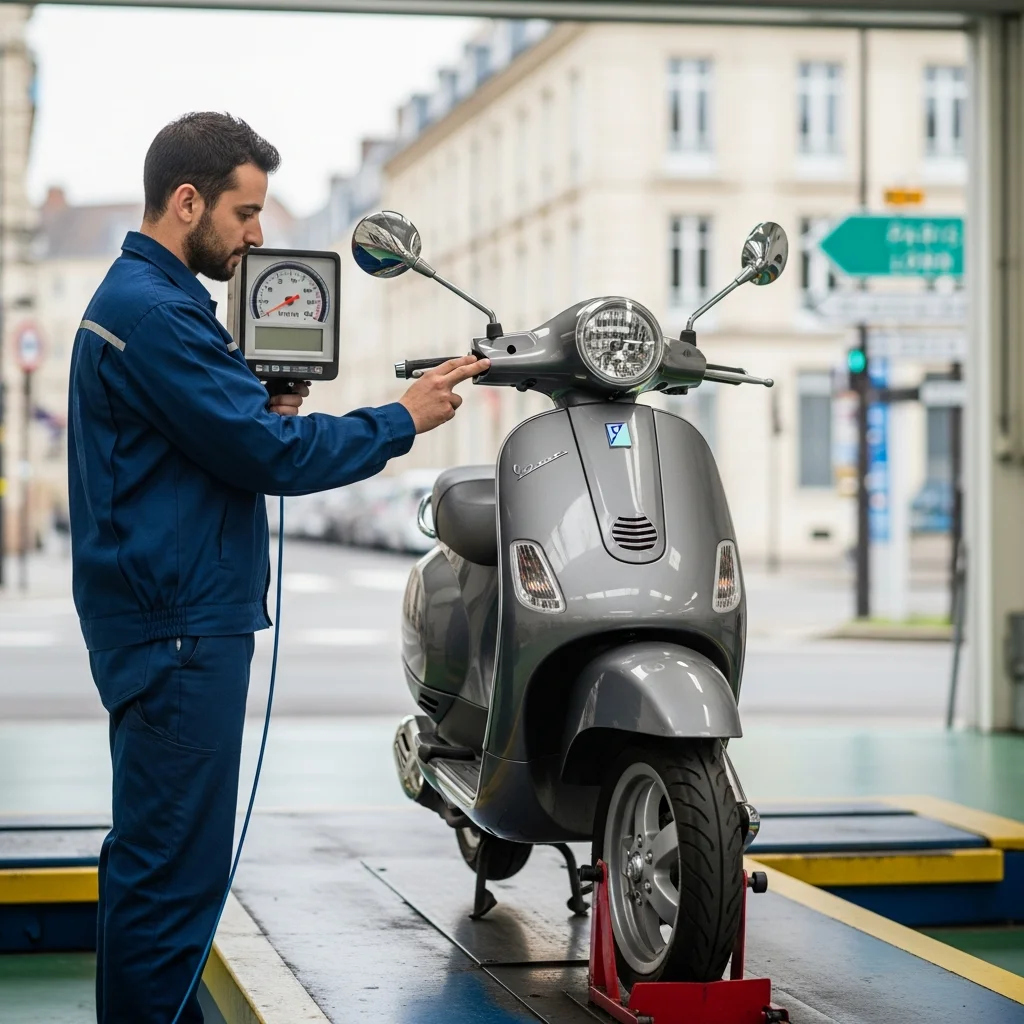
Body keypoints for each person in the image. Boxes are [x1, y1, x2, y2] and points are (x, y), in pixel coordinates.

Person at [66, 112, 488, 1024]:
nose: (258, 236)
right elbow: (271, 456)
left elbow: (215, 438)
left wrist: (254, 405)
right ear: (187, 202)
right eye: (246, 212)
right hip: (179, 630)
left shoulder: (150, 304)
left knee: (156, 862)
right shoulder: (157, 314)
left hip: (167, 621)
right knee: (172, 876)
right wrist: (402, 418)